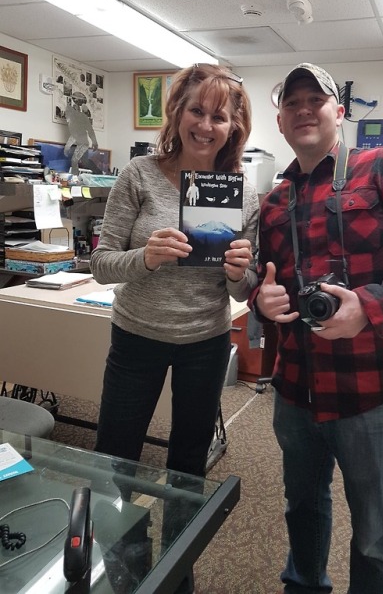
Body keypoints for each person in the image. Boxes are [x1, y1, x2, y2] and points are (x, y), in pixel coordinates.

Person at [249, 63, 383, 594]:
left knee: (373, 531)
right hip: (296, 390)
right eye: (291, 103)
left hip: (371, 392)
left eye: (315, 100)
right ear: (279, 123)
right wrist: (263, 298)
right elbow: (267, 283)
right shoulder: (274, 203)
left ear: (338, 113)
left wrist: (371, 305)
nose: (303, 110)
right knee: (302, 507)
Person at [90, 63, 259, 592]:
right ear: (177, 113)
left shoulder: (242, 194)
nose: (205, 125)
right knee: (116, 457)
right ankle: (124, 564)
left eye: (219, 116)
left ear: (234, 127)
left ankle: (176, 572)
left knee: (187, 466)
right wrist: (147, 257)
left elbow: (243, 289)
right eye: (196, 111)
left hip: (203, 345)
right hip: (136, 337)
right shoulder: (137, 176)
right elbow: (100, 263)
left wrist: (240, 273)